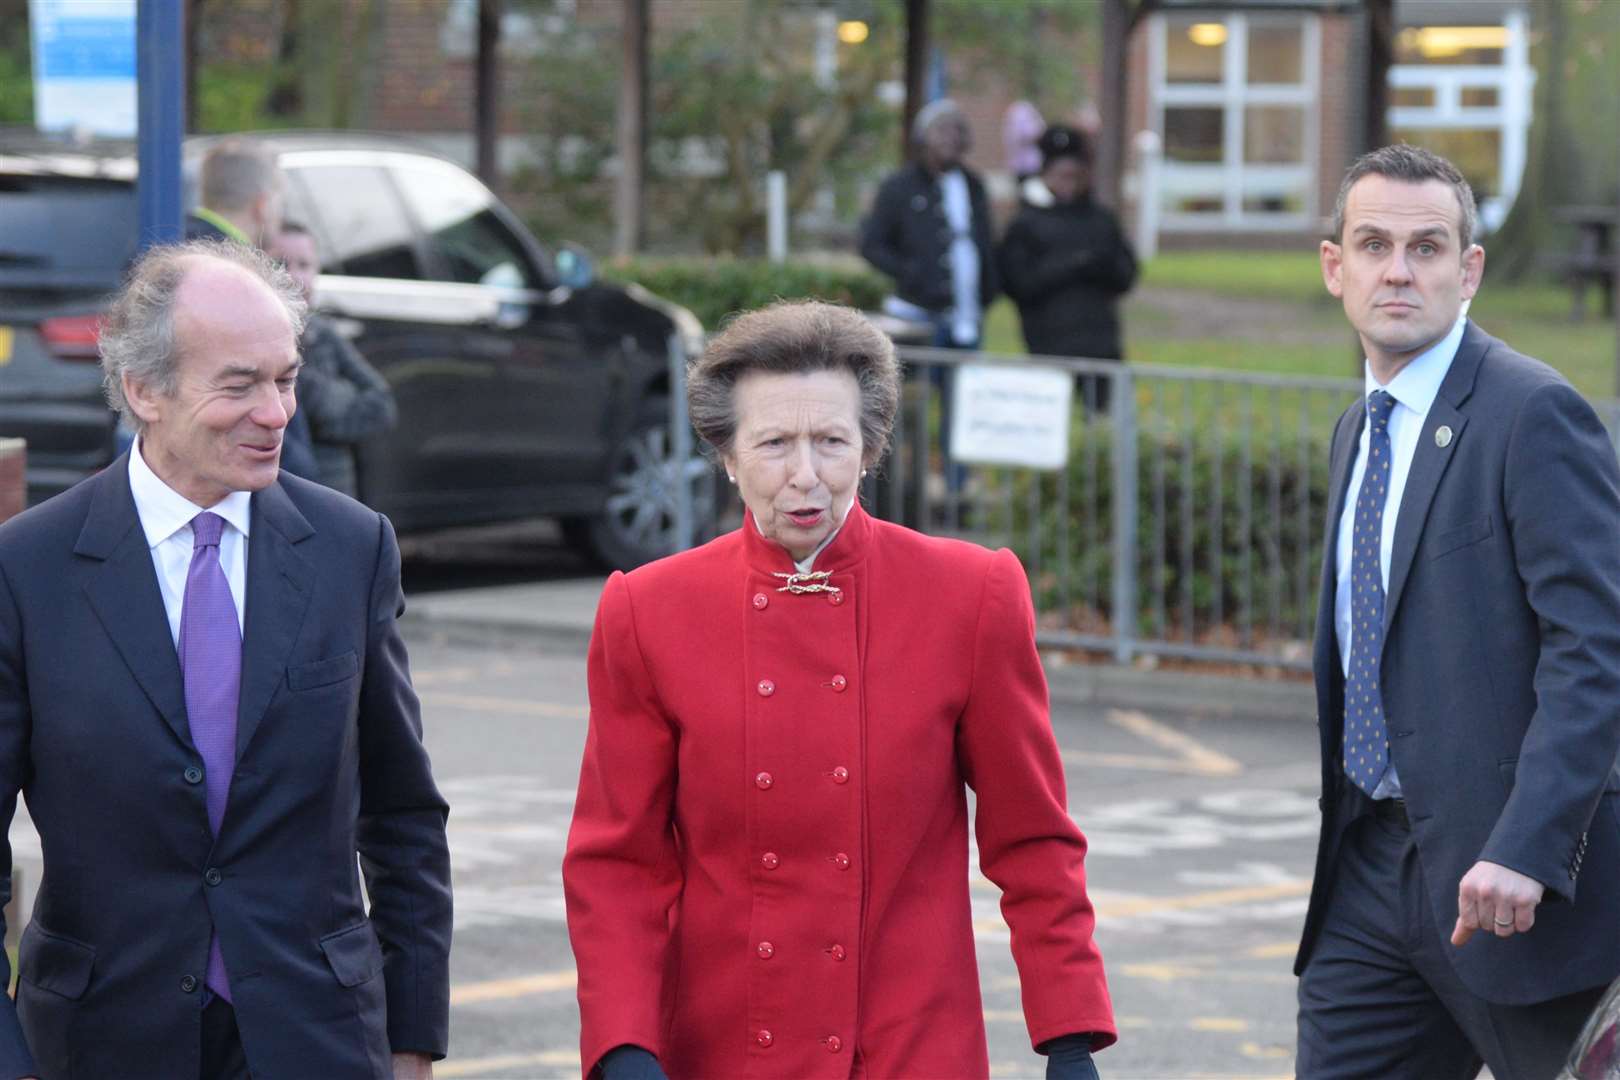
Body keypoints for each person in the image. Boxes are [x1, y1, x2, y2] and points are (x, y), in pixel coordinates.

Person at [563, 301, 1114, 1080]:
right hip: (722, 1049)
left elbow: (1032, 837)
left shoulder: (970, 594)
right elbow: (617, 860)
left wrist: (1069, 1032)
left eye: (831, 442)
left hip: (911, 1044)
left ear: (870, 448)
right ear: (726, 453)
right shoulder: (648, 610)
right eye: (774, 444)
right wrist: (623, 1043)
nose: (806, 475)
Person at [0, 240, 452, 1079]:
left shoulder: (351, 548)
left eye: (284, 380)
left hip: (317, 1039)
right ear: (144, 391)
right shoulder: (27, 570)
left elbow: (403, 815)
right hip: (100, 1043)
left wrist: (413, 1037)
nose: (277, 413)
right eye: (239, 385)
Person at [1294, 144, 1620, 1078]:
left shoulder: (1534, 414)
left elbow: (1594, 652)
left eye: (1428, 247)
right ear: (1335, 267)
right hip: (1367, 872)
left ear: (1468, 270)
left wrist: (1530, 845)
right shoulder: (1359, 429)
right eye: (1374, 244)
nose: (1399, 270)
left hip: (1512, 889)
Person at [999, 125, 1138, 414]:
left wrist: (1098, 265)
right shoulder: (1025, 224)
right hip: (1049, 342)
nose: (1069, 184)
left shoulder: (1100, 219)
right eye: (1061, 175)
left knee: (1099, 421)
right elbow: (1018, 283)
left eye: (1076, 176)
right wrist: (1072, 265)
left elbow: (1126, 273)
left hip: (1099, 343)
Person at [268, 222, 398, 498]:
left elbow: (381, 404)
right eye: (279, 264)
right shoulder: (253, 339)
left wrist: (324, 401)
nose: (293, 276)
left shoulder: (323, 335)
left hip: (333, 492)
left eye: (304, 265)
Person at [860, 98, 997, 350]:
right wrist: (910, 271)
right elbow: (872, 244)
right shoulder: (900, 187)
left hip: (966, 314)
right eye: (942, 130)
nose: (952, 138)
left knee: (960, 386)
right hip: (915, 313)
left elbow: (985, 241)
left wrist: (989, 286)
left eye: (958, 130)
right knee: (916, 386)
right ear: (923, 137)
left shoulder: (973, 185)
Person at [186, 138, 285, 249]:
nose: (281, 217)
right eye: (280, 203)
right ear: (262, 206)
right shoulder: (238, 261)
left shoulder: (172, 239)